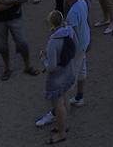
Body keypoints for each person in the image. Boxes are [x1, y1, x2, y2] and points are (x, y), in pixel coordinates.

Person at [36, 10, 77, 139]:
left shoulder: (53, 41)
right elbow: (76, 46)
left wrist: (43, 58)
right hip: (68, 69)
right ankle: (64, 126)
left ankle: (61, 133)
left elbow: (51, 67)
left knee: (58, 105)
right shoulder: (70, 30)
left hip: (57, 76)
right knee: (66, 99)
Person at [63, 0, 92, 109]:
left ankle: (63, 106)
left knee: (71, 75)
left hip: (78, 47)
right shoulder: (82, 2)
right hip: (85, 41)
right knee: (82, 69)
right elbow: (87, 20)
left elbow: (75, 34)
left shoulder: (71, 14)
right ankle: (79, 96)